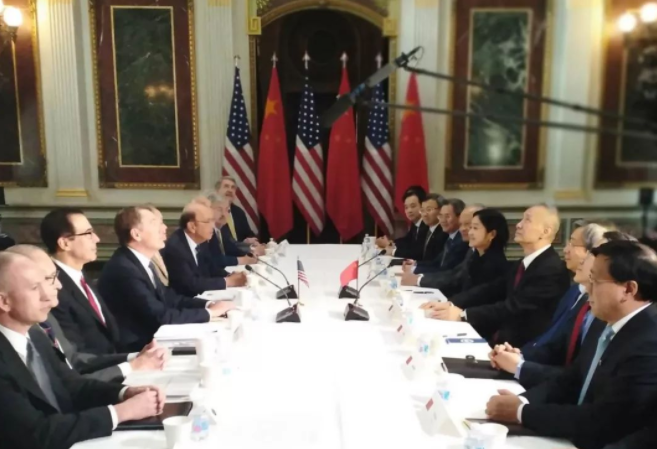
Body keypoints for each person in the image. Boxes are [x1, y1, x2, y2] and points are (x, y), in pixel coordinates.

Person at [485, 240, 657, 449]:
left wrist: (522, 413)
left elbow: (605, 420)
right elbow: (572, 379)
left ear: (628, 289)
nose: (587, 288)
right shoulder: (604, 321)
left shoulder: (649, 342)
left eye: (595, 280)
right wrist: (522, 401)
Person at [0, 252, 165, 449]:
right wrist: (121, 412)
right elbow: (37, 434)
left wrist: (124, 393)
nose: (49, 298)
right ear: (4, 301)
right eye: (35, 288)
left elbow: (72, 386)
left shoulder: (36, 335)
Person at [6, 245, 167, 383]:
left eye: (55, 276)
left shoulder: (45, 320)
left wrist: (135, 357)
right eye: (47, 279)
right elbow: (64, 387)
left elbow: (73, 360)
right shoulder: (27, 330)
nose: (59, 285)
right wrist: (130, 368)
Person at [427, 204, 570, 348]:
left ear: (545, 232)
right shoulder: (523, 263)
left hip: (522, 348)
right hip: (503, 340)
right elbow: (490, 289)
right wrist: (450, 303)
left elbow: (514, 307)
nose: (518, 225)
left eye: (527, 220)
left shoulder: (551, 269)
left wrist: (463, 314)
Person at [487, 224, 609, 389]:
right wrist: (519, 356)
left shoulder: (602, 312)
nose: (565, 250)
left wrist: (520, 366)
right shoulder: (574, 292)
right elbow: (552, 342)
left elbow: (577, 377)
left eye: (573, 244)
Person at [98, 205, 235, 352]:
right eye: (154, 223)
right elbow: (160, 316)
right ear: (136, 234)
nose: (164, 228)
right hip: (138, 348)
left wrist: (208, 304)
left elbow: (169, 298)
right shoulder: (124, 269)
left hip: (154, 338)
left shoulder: (139, 262)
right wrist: (210, 313)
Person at [40, 208, 122, 356]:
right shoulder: (54, 288)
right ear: (65, 243)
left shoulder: (80, 275)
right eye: (88, 233)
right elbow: (76, 352)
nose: (97, 239)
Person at [421, 208, 509, 315]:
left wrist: (449, 304)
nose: (470, 232)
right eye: (470, 227)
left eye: (475, 228)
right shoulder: (475, 256)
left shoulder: (496, 264)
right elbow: (458, 282)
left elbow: (477, 295)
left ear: (492, 234)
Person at [162, 201, 247, 297]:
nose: (213, 226)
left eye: (212, 221)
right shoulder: (176, 248)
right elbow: (190, 284)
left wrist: (229, 275)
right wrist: (227, 282)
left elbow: (210, 267)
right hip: (187, 300)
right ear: (192, 226)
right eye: (208, 221)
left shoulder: (201, 241)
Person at [401, 204, 484, 291]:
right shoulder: (468, 247)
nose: (462, 229)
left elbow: (453, 275)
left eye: (471, 226)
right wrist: (415, 267)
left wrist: (418, 279)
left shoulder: (464, 243)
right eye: (441, 216)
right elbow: (442, 265)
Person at [409, 198, 470, 274]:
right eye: (440, 216)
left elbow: (447, 270)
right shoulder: (450, 238)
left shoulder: (462, 241)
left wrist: (414, 270)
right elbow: (436, 262)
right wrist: (414, 264)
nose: (443, 220)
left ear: (459, 217)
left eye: (447, 216)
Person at [204, 193, 261, 264]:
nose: (224, 214)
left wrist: (251, 253)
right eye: (219, 209)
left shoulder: (223, 228)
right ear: (208, 210)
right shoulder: (205, 231)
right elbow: (213, 259)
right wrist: (241, 260)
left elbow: (232, 248)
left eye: (227, 210)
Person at [375, 186, 428, 259]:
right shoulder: (416, 223)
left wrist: (392, 250)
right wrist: (390, 243)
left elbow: (417, 253)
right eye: (406, 207)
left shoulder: (426, 224)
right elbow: (407, 240)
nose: (409, 211)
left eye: (413, 206)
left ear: (423, 206)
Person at [215, 176, 258, 244]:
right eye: (226, 186)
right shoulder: (212, 211)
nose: (230, 190)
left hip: (243, 249)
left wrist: (254, 242)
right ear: (217, 191)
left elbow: (249, 234)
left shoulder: (239, 212)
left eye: (233, 187)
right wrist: (243, 243)